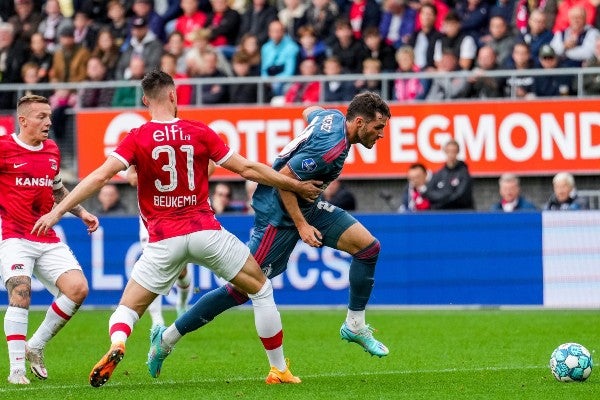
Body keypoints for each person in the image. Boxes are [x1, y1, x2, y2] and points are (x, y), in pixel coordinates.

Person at [31, 70, 322, 388]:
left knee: (128, 309)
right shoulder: (199, 131)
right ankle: (278, 370)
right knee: (260, 289)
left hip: (163, 240)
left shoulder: (137, 137)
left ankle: (118, 343)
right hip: (206, 232)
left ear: (145, 100)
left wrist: (59, 210)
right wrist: (294, 183)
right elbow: (248, 168)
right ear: (174, 95)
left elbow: (100, 176)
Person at [145, 92, 391, 381]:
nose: (381, 135)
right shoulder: (330, 149)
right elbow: (285, 181)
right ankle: (166, 339)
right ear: (359, 122)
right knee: (240, 290)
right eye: (378, 128)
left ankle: (355, 325)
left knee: (368, 248)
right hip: (279, 212)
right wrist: (301, 226)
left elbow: (309, 111)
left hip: (307, 204)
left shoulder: (332, 117)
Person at [1, 94, 99, 385]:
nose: (49, 122)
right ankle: (16, 370)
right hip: (13, 235)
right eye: (41, 116)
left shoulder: (52, 150)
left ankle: (36, 345)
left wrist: (81, 212)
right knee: (21, 292)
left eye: (49, 116)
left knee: (78, 289)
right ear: (23, 120)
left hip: (46, 236)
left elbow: (57, 189)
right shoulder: (4, 148)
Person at [126, 165, 193, 324]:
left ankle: (182, 303)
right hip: (151, 214)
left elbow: (207, 169)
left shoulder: (185, 143)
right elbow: (131, 177)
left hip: (179, 210)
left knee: (181, 270)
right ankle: (158, 322)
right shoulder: (143, 145)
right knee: (152, 266)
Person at [424, 139, 474, 210]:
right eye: (449, 151)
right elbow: (428, 193)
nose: (451, 154)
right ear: (445, 152)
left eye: (454, 151)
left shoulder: (464, 174)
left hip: (460, 213)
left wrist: (441, 200)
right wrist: (447, 195)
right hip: (442, 214)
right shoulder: (439, 174)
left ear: (457, 152)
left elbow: (460, 196)